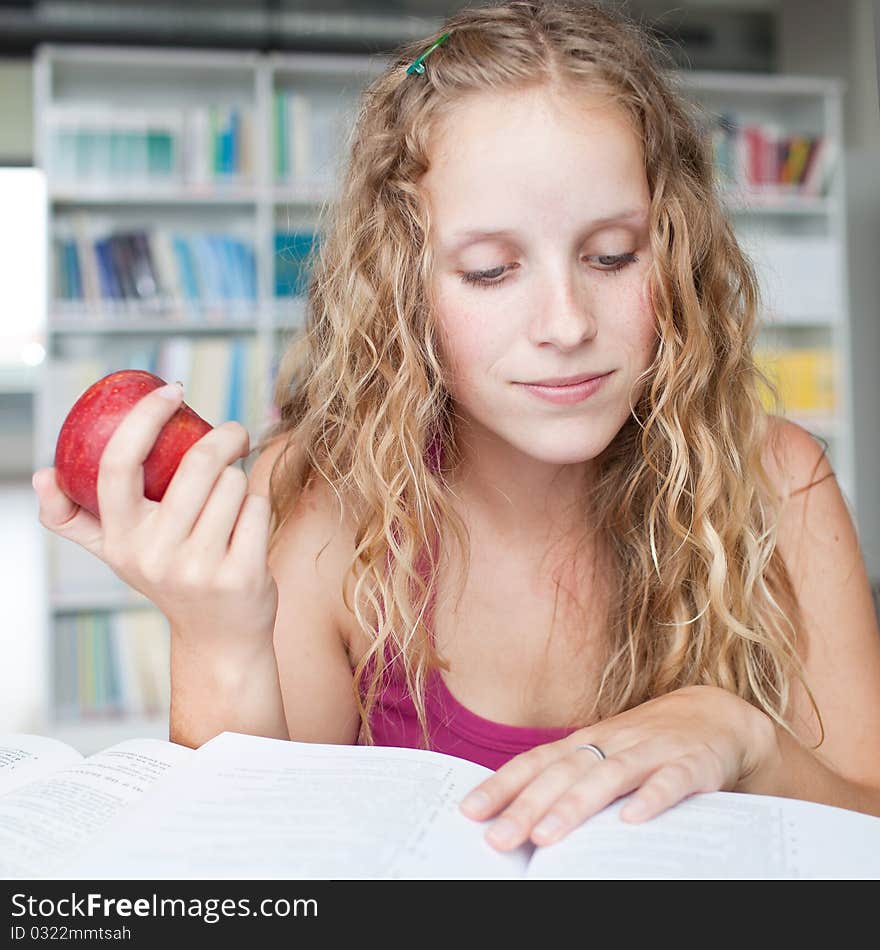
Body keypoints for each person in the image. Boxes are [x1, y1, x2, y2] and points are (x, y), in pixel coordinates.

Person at [33, 0, 880, 855]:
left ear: (675, 244)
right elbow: (248, 876)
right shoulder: (330, 501)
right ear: (405, 289)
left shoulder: (778, 480)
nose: (565, 323)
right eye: (489, 270)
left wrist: (743, 736)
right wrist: (214, 633)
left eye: (612, 255)